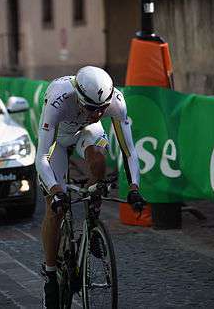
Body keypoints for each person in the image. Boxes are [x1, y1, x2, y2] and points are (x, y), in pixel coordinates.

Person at [35, 65, 145, 308]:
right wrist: (55, 191)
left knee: (98, 159)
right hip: (58, 142)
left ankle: (92, 221)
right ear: (78, 96)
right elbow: (42, 156)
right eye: (92, 108)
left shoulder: (115, 101)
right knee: (55, 209)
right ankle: (51, 275)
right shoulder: (59, 98)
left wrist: (135, 187)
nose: (98, 114)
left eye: (102, 109)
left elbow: (129, 150)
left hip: (86, 133)